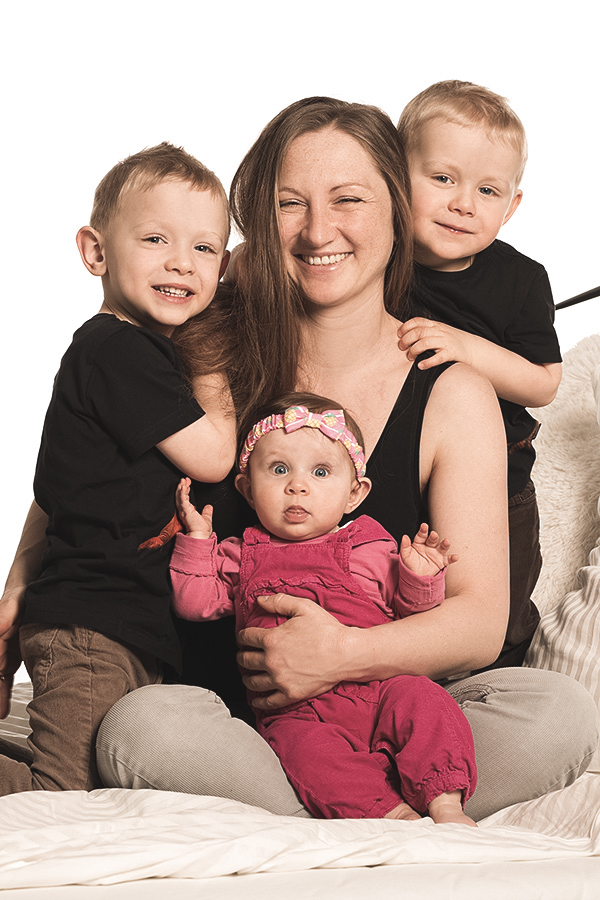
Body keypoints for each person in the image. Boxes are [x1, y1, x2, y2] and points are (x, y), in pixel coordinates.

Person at [95, 98, 595, 822]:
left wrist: (337, 655)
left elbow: (479, 621)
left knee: (559, 713)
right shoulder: (209, 347)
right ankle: (374, 813)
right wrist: (20, 584)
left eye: (348, 200)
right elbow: (92, 437)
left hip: (392, 708)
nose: (318, 230)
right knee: (141, 725)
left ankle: (331, 812)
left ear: (397, 211)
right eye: (289, 203)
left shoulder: (452, 389)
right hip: (251, 723)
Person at [0, 142, 235, 794]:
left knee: (93, 772)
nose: (181, 262)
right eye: (156, 239)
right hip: (91, 625)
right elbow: (215, 455)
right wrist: (218, 360)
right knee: (60, 791)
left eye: (205, 248)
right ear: (95, 251)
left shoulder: (137, 353)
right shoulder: (116, 349)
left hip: (117, 626)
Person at [170, 392, 477, 826]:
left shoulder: (369, 545)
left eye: (320, 472)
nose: (298, 485)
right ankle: (391, 815)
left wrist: (421, 578)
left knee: (425, 700)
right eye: (279, 469)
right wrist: (199, 543)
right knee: (305, 751)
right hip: (296, 710)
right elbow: (194, 603)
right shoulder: (241, 553)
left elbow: (412, 616)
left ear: (354, 493)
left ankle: (445, 801)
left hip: (380, 688)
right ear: (247, 489)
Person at [396, 80, 562, 666]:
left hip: (498, 480)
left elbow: (544, 381)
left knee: (501, 604)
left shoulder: (520, 279)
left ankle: (504, 667)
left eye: (487, 190)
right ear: (395, 175)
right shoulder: (376, 257)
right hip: (399, 468)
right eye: (443, 178)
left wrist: (470, 349)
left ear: (511, 206)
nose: (464, 203)